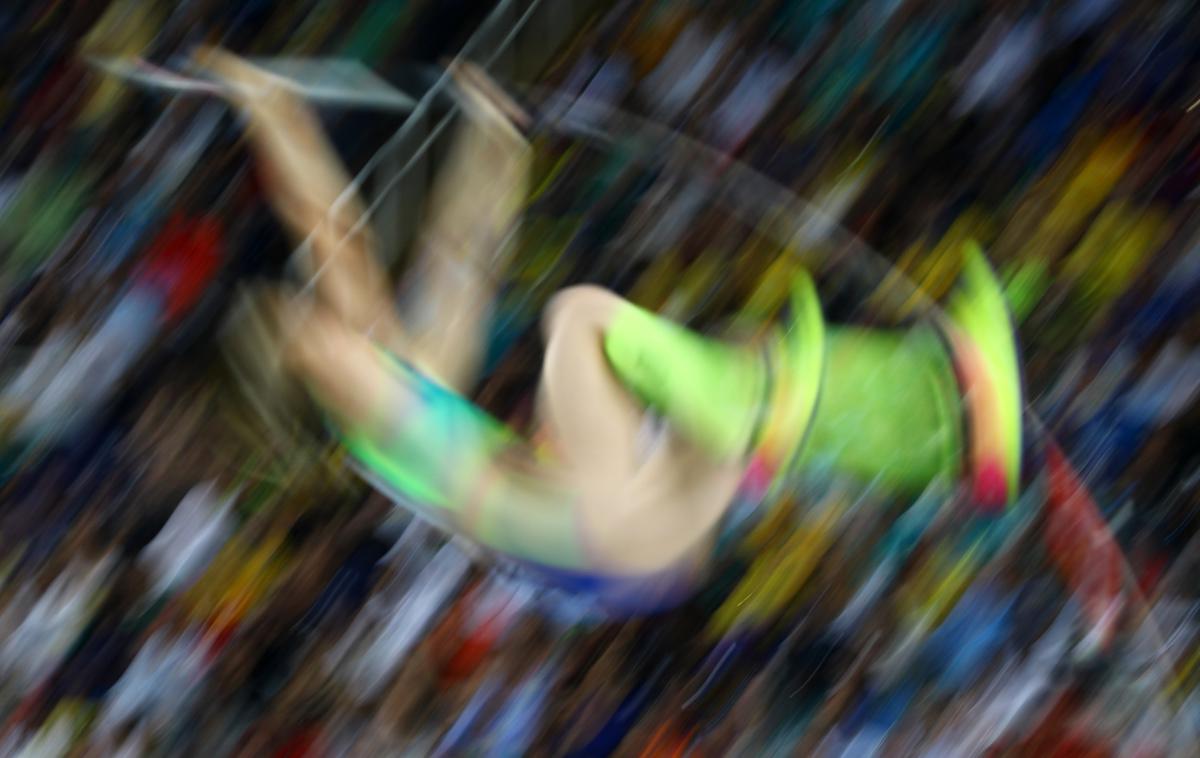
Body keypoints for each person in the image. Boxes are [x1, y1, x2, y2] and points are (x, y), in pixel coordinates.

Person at [197, 48, 1022, 613]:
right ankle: (849, 419)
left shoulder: (401, 407)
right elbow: (333, 230)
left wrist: (494, 141)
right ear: (283, 357)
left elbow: (462, 265)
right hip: (608, 531)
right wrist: (266, 107)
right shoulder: (345, 377)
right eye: (283, 314)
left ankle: (943, 430)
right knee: (579, 324)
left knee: (743, 353)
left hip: (632, 555)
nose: (297, 304)